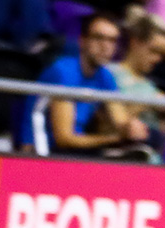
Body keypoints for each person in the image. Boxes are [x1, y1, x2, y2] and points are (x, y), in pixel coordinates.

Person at [36, 13, 154, 157]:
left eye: (112, 40)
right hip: (40, 153)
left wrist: (130, 128)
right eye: (99, 38)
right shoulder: (63, 72)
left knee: (151, 138)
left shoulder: (105, 75)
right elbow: (64, 139)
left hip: (75, 151)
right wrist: (114, 139)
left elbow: (120, 120)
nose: (106, 46)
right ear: (82, 41)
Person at [109, 8, 165, 145]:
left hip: (153, 159)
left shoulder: (150, 85)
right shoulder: (109, 74)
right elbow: (108, 122)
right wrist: (149, 103)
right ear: (135, 42)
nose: (157, 59)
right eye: (153, 51)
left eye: (161, 54)